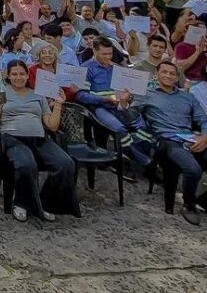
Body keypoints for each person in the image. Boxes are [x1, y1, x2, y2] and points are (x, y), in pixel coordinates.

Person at [0, 60, 79, 222]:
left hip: (39, 139)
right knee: (26, 164)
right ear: (8, 75)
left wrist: (58, 105)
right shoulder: (0, 93)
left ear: (27, 75)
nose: (18, 77)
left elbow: (52, 125)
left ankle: (47, 203)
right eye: (14, 74)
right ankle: (21, 203)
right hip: (13, 138)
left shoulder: (38, 95)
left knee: (66, 163)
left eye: (22, 74)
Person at [118, 61, 207, 224]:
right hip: (166, 141)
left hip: (191, 138)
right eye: (164, 72)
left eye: (172, 73)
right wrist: (123, 104)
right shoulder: (146, 94)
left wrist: (205, 136)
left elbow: (203, 119)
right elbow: (130, 121)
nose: (168, 76)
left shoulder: (188, 96)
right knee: (194, 170)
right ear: (156, 75)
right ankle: (189, 204)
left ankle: (203, 201)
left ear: (177, 76)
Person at [75, 37, 150, 166]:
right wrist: (104, 99)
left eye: (110, 53)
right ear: (94, 51)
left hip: (120, 105)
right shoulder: (86, 68)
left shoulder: (116, 67)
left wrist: (127, 96)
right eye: (104, 54)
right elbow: (81, 96)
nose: (108, 57)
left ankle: (134, 157)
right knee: (119, 129)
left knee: (143, 127)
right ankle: (145, 162)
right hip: (99, 107)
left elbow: (127, 90)